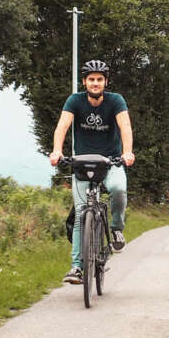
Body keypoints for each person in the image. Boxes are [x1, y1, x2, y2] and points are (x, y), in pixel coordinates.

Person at [49, 59, 135, 284]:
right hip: (82, 163)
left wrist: (127, 153)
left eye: (99, 79)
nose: (95, 83)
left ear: (105, 82)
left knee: (118, 189)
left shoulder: (116, 100)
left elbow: (125, 126)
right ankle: (77, 267)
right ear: (85, 82)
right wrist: (57, 151)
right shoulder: (75, 100)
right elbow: (62, 125)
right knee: (80, 215)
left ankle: (116, 228)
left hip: (111, 162)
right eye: (91, 79)